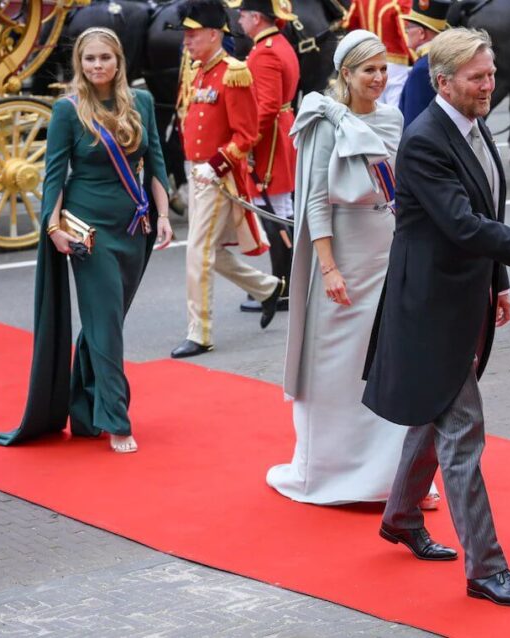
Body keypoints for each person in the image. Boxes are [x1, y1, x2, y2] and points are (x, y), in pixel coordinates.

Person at [363, 27, 510, 607]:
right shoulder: (425, 140)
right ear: (443, 82)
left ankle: (399, 517)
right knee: (462, 431)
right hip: (428, 307)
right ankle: (487, 570)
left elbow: (485, 211)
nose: (489, 85)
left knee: (436, 407)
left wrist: (496, 282)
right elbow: (463, 225)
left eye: (490, 75)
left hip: (463, 296)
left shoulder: (472, 125)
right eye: (477, 77)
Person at [269, 30, 438, 508]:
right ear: (346, 73)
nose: (379, 78)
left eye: (384, 69)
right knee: (336, 366)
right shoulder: (324, 120)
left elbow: (402, 189)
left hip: (386, 248)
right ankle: (326, 473)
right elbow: (315, 201)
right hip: (341, 250)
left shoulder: (393, 117)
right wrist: (328, 268)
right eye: (369, 70)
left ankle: (391, 479)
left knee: (387, 364)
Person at [0, 27, 173, 453]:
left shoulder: (141, 102)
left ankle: (85, 411)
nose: (97, 66)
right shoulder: (67, 111)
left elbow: (155, 164)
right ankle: (116, 419)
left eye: (105, 58)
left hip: (135, 228)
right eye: (89, 59)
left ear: (119, 61)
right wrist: (53, 229)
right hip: (88, 232)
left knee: (103, 321)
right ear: (80, 65)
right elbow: (54, 176)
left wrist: (162, 215)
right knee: (106, 324)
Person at [170, 0, 284, 359]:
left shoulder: (234, 72)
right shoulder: (202, 70)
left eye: (193, 34)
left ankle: (199, 332)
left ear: (214, 34)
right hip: (199, 172)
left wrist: (215, 165)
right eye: (185, 35)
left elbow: (246, 135)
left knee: (197, 252)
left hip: (216, 176)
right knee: (213, 254)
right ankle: (267, 289)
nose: (186, 41)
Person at [237, 0, 299, 314]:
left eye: (243, 14)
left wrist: (246, 142)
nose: (239, 19)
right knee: (280, 210)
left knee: (273, 212)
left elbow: (266, 107)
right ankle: (284, 282)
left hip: (270, 139)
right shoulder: (277, 43)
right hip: (280, 130)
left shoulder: (264, 52)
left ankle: (282, 285)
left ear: (257, 17)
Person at [343, 0, 414, 107]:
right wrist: (417, 58)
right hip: (395, 64)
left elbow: (350, 23)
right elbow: (406, 33)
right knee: (396, 106)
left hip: (368, 63)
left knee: (375, 106)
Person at [399, 0, 448, 128]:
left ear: (421, 33)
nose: (406, 31)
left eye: (408, 27)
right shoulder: (443, 59)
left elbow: (414, 122)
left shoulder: (422, 69)